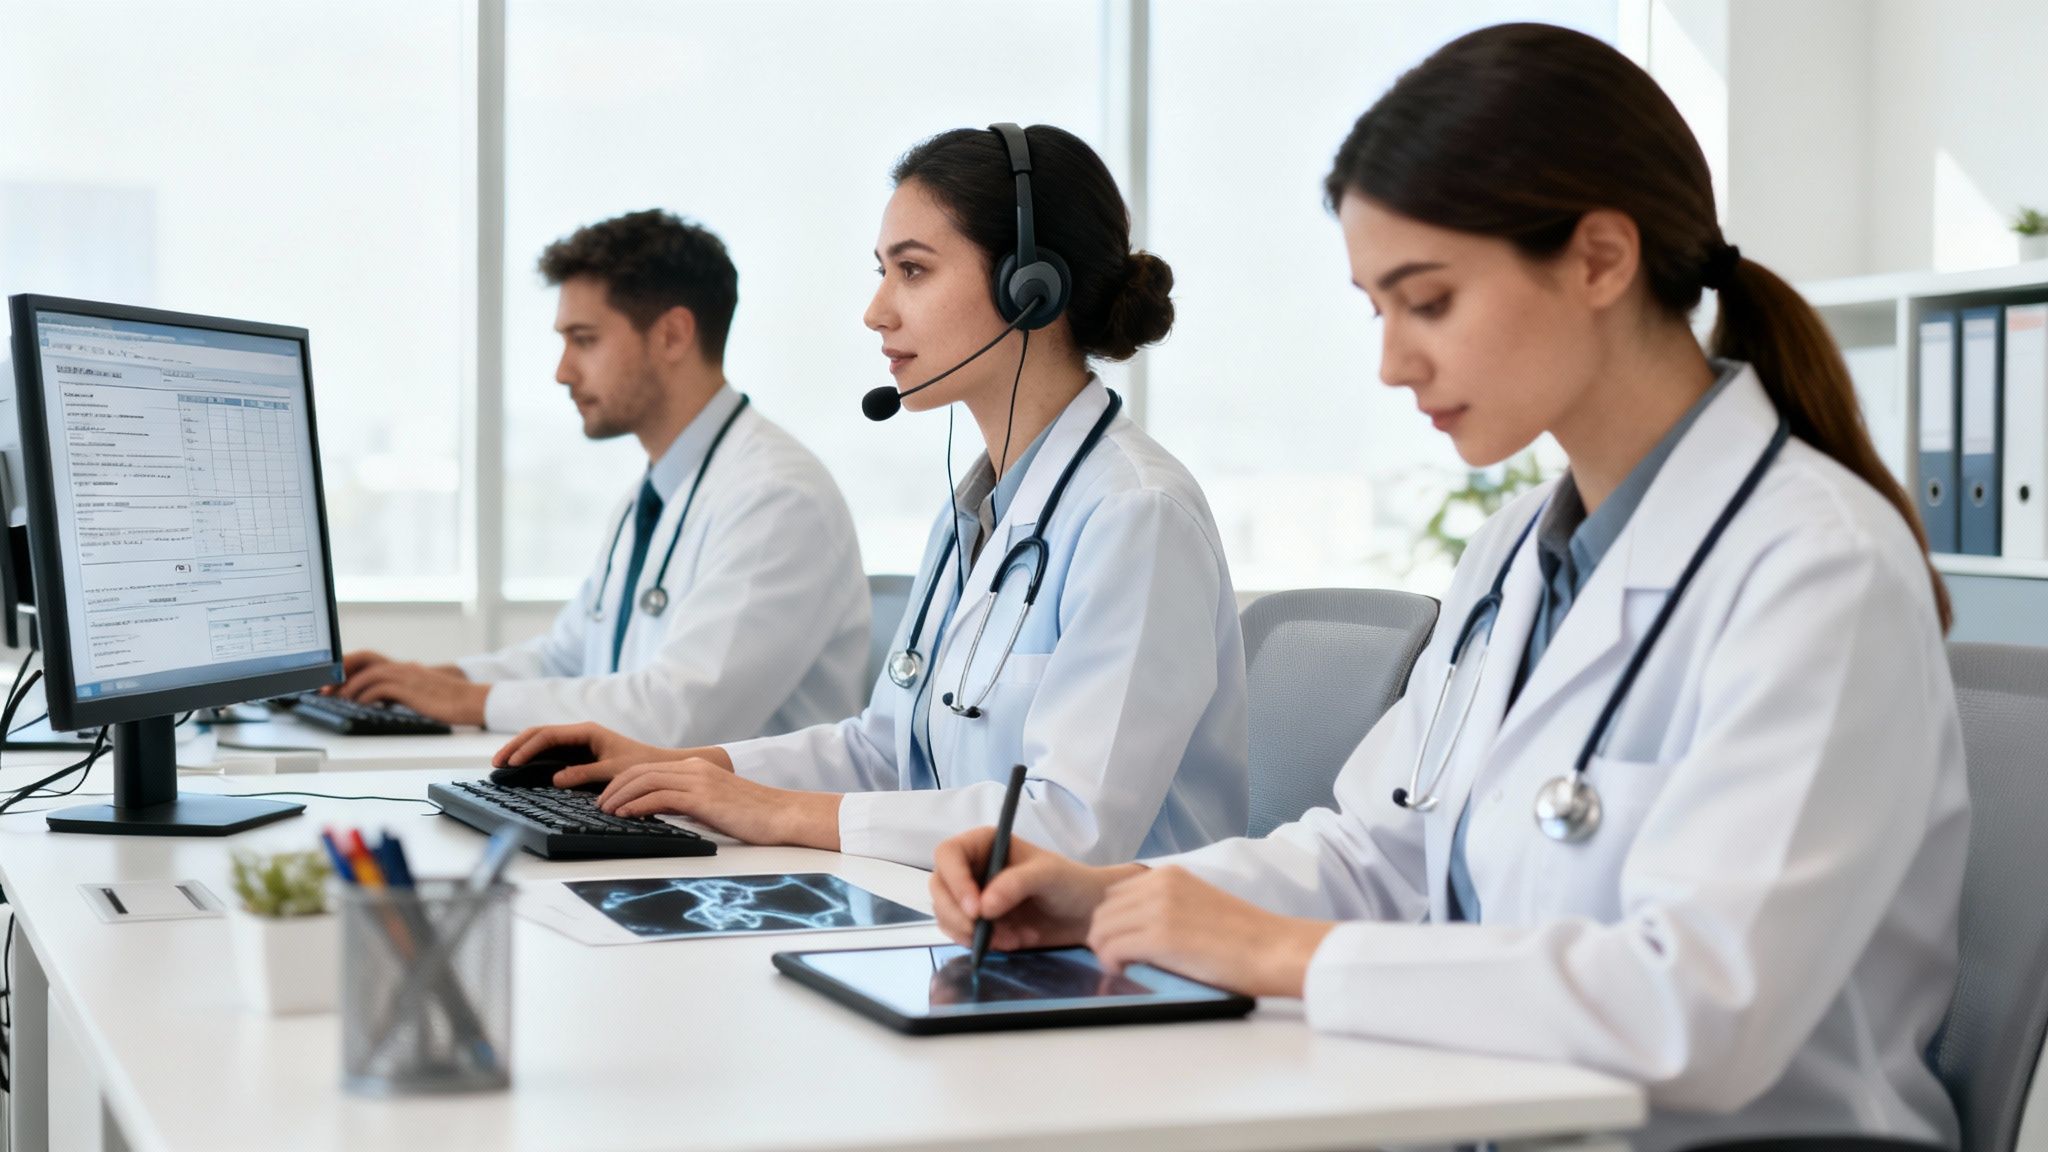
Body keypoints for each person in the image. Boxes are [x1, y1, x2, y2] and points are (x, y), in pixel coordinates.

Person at [927, 26, 1969, 1152]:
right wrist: (1108, 892)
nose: (1392, 363)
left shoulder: (1818, 565)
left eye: (1426, 301)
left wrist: (1279, 954)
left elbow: (1701, 1009)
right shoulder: (1519, 547)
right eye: (1377, 308)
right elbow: (1378, 852)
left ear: (1599, 259)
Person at [496, 125, 1248, 869]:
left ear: (1030, 288)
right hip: (958, 920)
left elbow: (1072, 825)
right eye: (882, 271)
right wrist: (692, 768)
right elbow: (883, 750)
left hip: (1115, 965)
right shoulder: (979, 514)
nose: (876, 310)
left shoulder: (1135, 515)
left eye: (913, 271)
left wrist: (776, 811)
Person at [337, 210, 869, 745]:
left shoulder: (778, 499)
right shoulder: (659, 491)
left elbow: (678, 714)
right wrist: (430, 681)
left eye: (584, 339)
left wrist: (470, 701)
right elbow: (569, 658)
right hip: (657, 812)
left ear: (672, 335)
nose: (563, 371)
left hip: (757, 828)